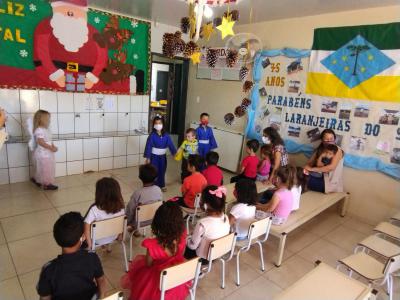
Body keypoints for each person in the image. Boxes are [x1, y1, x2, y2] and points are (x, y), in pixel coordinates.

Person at [122, 202, 188, 300]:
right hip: (175, 277)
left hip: (157, 280)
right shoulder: (182, 236)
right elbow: (181, 254)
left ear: (158, 222)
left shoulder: (152, 245)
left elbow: (148, 264)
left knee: (143, 276)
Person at [37, 212, 106, 300]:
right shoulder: (92, 257)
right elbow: (102, 280)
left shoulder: (48, 270)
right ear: (83, 237)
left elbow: (44, 297)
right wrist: (101, 297)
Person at [185, 185, 230, 260]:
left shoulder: (202, 224)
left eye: (201, 199)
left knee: (183, 244)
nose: (200, 202)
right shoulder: (226, 217)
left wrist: (187, 238)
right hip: (218, 254)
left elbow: (192, 246)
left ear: (205, 205)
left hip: (202, 257)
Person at [84, 177, 125, 250]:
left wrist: (90, 245)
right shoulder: (121, 208)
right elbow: (122, 223)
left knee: (83, 221)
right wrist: (120, 235)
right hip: (113, 236)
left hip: (97, 240)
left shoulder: (94, 209)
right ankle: (106, 244)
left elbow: (86, 227)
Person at [304, 129, 344, 193]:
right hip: (318, 177)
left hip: (328, 184)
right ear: (322, 140)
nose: (329, 141)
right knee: (299, 174)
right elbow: (309, 163)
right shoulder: (320, 149)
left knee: (301, 179)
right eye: (326, 139)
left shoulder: (337, 150)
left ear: (334, 139)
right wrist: (306, 169)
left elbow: (331, 167)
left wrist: (312, 169)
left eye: (331, 139)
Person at [126, 164, 162, 232]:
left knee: (130, 211)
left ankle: (134, 230)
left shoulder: (138, 193)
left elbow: (130, 210)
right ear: (156, 178)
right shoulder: (158, 189)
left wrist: (127, 221)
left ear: (140, 177)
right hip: (155, 219)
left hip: (139, 222)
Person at [144, 116, 177, 192]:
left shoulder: (166, 135)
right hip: (154, 157)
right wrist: (148, 157)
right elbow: (148, 146)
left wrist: (174, 153)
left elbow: (171, 144)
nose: (158, 125)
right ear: (154, 125)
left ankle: (161, 184)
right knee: (154, 170)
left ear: (163, 124)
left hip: (162, 157)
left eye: (160, 123)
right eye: (156, 123)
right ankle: (153, 185)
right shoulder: (152, 136)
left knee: (162, 170)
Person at [31, 109, 58, 190]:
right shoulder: (39, 130)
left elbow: (49, 140)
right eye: (47, 119)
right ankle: (46, 184)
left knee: (46, 168)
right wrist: (50, 148)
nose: (49, 121)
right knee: (45, 169)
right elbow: (40, 142)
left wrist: (53, 146)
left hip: (47, 153)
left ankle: (38, 180)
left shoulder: (46, 130)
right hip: (43, 154)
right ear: (41, 120)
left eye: (49, 119)